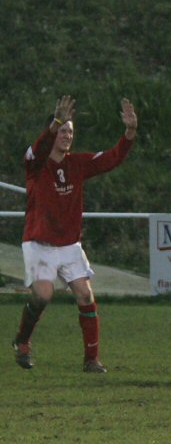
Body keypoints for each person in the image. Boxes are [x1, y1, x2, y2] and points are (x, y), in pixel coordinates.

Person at [12, 96, 137, 373]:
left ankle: (91, 359)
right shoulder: (36, 163)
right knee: (43, 295)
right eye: (62, 130)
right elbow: (37, 148)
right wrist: (55, 122)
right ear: (52, 131)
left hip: (69, 244)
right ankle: (22, 342)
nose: (67, 135)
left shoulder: (77, 164)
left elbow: (111, 158)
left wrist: (129, 133)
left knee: (85, 294)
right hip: (39, 242)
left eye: (70, 131)